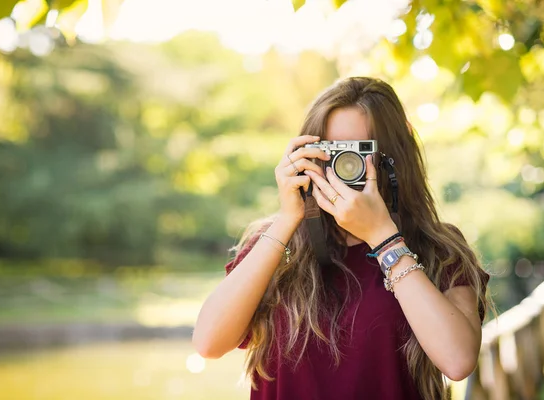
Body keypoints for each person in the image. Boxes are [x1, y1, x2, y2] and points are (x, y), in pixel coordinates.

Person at [192, 77, 491, 400]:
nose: (341, 168)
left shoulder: (437, 249)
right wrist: (288, 218)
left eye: (357, 153)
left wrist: (383, 237)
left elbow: (458, 361)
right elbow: (208, 343)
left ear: (393, 160)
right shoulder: (276, 242)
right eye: (330, 151)